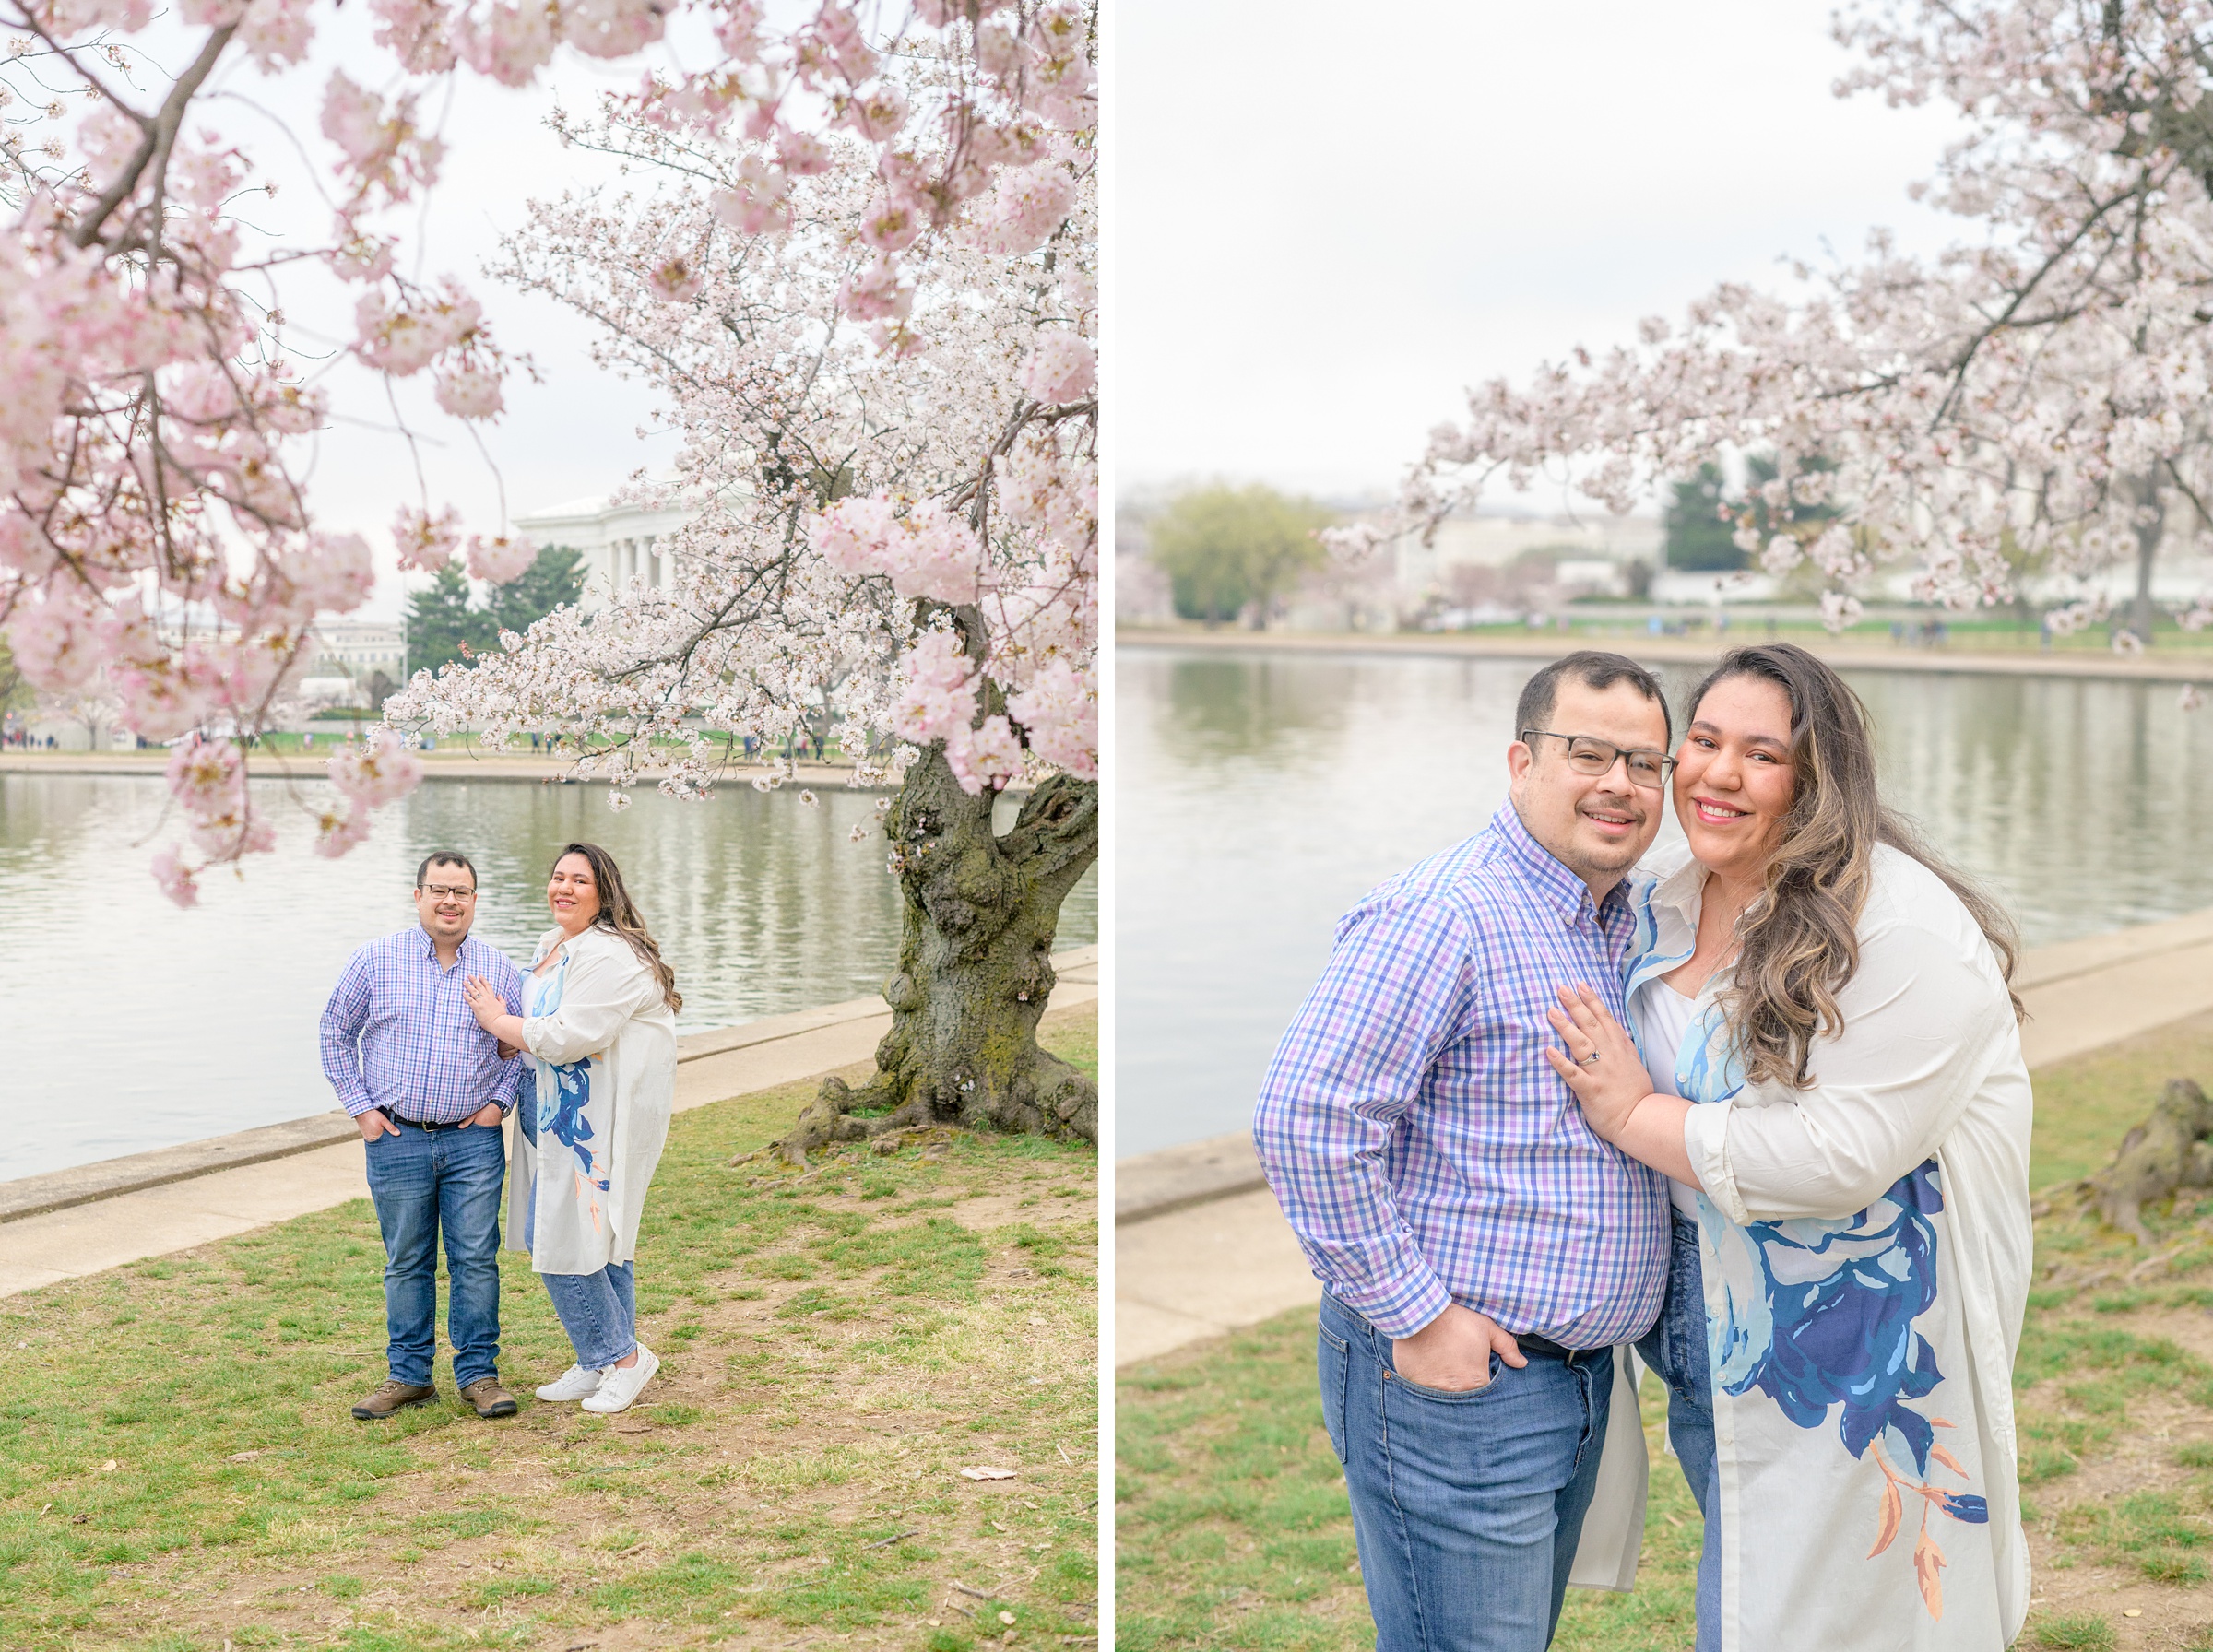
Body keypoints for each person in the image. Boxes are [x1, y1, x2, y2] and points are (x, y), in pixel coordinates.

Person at [1543, 643, 2032, 1650]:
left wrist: (1635, 1117)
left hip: (1853, 1342)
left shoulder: (1899, 926)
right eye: (1705, 741)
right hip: (1700, 1317)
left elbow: (1837, 1155)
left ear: (1817, 782)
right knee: (1753, 1570)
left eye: (1761, 755)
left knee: (1823, 1614)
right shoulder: (1671, 896)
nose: (1717, 773)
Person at [1251, 651, 1676, 1652]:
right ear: (1521, 761)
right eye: (1589, 753)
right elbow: (1307, 1118)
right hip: (1463, 1390)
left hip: (1573, 1382)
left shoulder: (1616, 921)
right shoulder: (1445, 913)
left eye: (1645, 762)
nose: (1619, 783)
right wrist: (1419, 1313)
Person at [463, 842, 680, 1416]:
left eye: (579, 881)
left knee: (561, 1235)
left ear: (603, 893)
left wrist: (497, 1023)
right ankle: (598, 1360)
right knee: (590, 1237)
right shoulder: (555, 943)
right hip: (550, 1108)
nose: (563, 888)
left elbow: (569, 1035)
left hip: (594, 1119)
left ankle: (623, 1357)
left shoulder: (609, 954)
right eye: (558, 877)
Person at [320, 851, 526, 1422]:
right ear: (418, 896)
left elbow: (517, 1045)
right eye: (439, 890)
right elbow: (335, 1034)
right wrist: (362, 1111)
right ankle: (409, 1375)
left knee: (475, 1260)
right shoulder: (375, 960)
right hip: (397, 1139)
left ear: (475, 901)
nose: (450, 901)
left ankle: (479, 1375)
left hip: (473, 1143)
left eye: (461, 892)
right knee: (407, 1261)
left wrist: (497, 1105)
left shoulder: (497, 969)